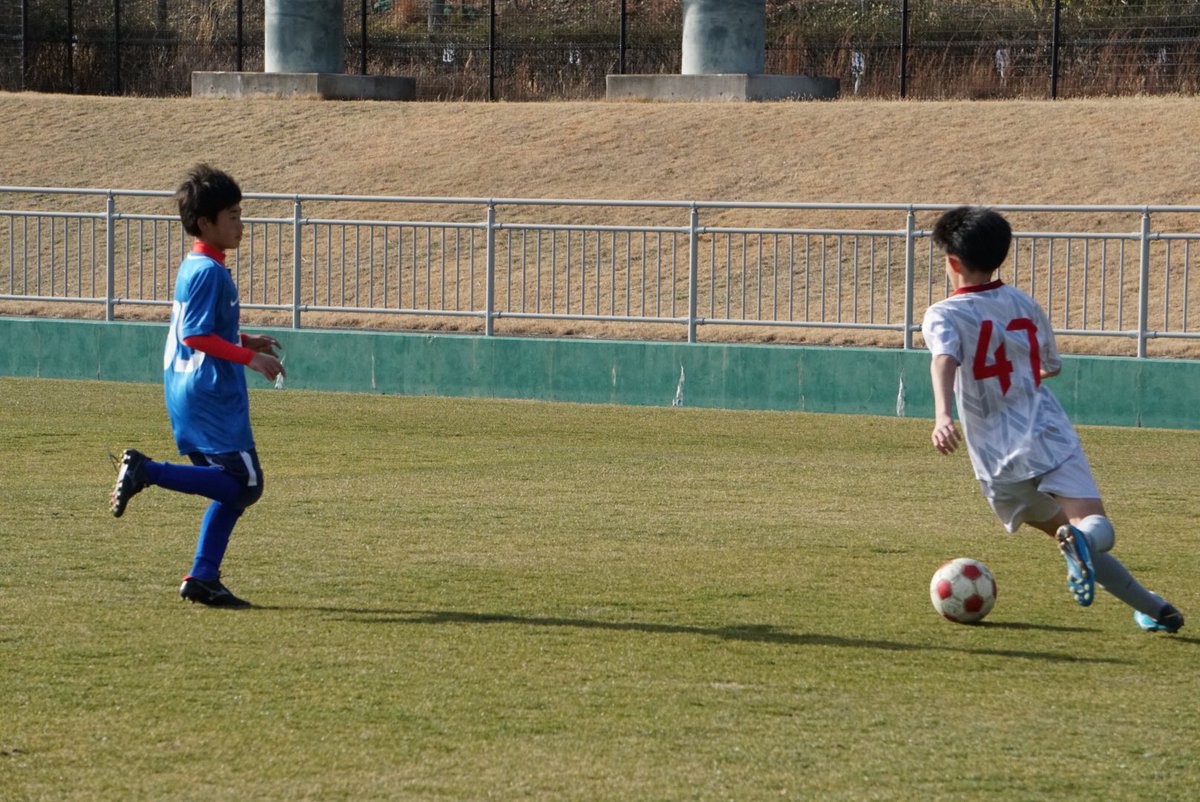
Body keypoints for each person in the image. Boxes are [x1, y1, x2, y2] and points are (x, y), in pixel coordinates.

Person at [921, 205, 1183, 633]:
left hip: (997, 457)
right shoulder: (1023, 302)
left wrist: (943, 414)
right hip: (1046, 433)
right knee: (1092, 531)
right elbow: (1050, 366)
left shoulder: (943, 313)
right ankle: (1105, 563)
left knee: (1070, 539)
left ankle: (1155, 610)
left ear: (952, 262)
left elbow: (944, 358)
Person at [110, 164, 285, 608]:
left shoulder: (199, 265)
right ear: (205, 223)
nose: (240, 224)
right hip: (210, 396)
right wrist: (251, 358)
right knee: (245, 484)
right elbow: (194, 336)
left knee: (232, 488)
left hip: (189, 391)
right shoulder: (209, 271)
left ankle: (204, 577)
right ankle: (146, 470)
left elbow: (201, 329)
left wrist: (245, 339)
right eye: (232, 216)